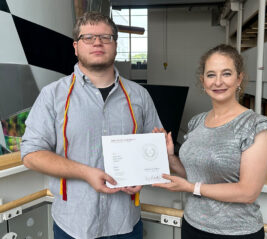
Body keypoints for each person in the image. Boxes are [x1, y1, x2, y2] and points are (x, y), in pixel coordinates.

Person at [21, 12, 162, 239]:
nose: (97, 42)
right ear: (76, 47)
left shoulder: (139, 96)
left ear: (115, 45)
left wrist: (144, 176)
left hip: (125, 223)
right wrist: (86, 173)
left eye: (106, 37)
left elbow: (153, 151)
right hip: (73, 225)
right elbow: (30, 154)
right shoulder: (52, 96)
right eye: (88, 37)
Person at [153, 44, 267, 239]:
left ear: (239, 78)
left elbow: (247, 192)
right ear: (203, 82)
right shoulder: (197, 122)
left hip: (236, 233)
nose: (218, 81)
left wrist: (191, 188)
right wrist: (170, 157)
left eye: (226, 74)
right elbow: (194, 175)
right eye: (211, 75)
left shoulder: (255, 126)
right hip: (192, 226)